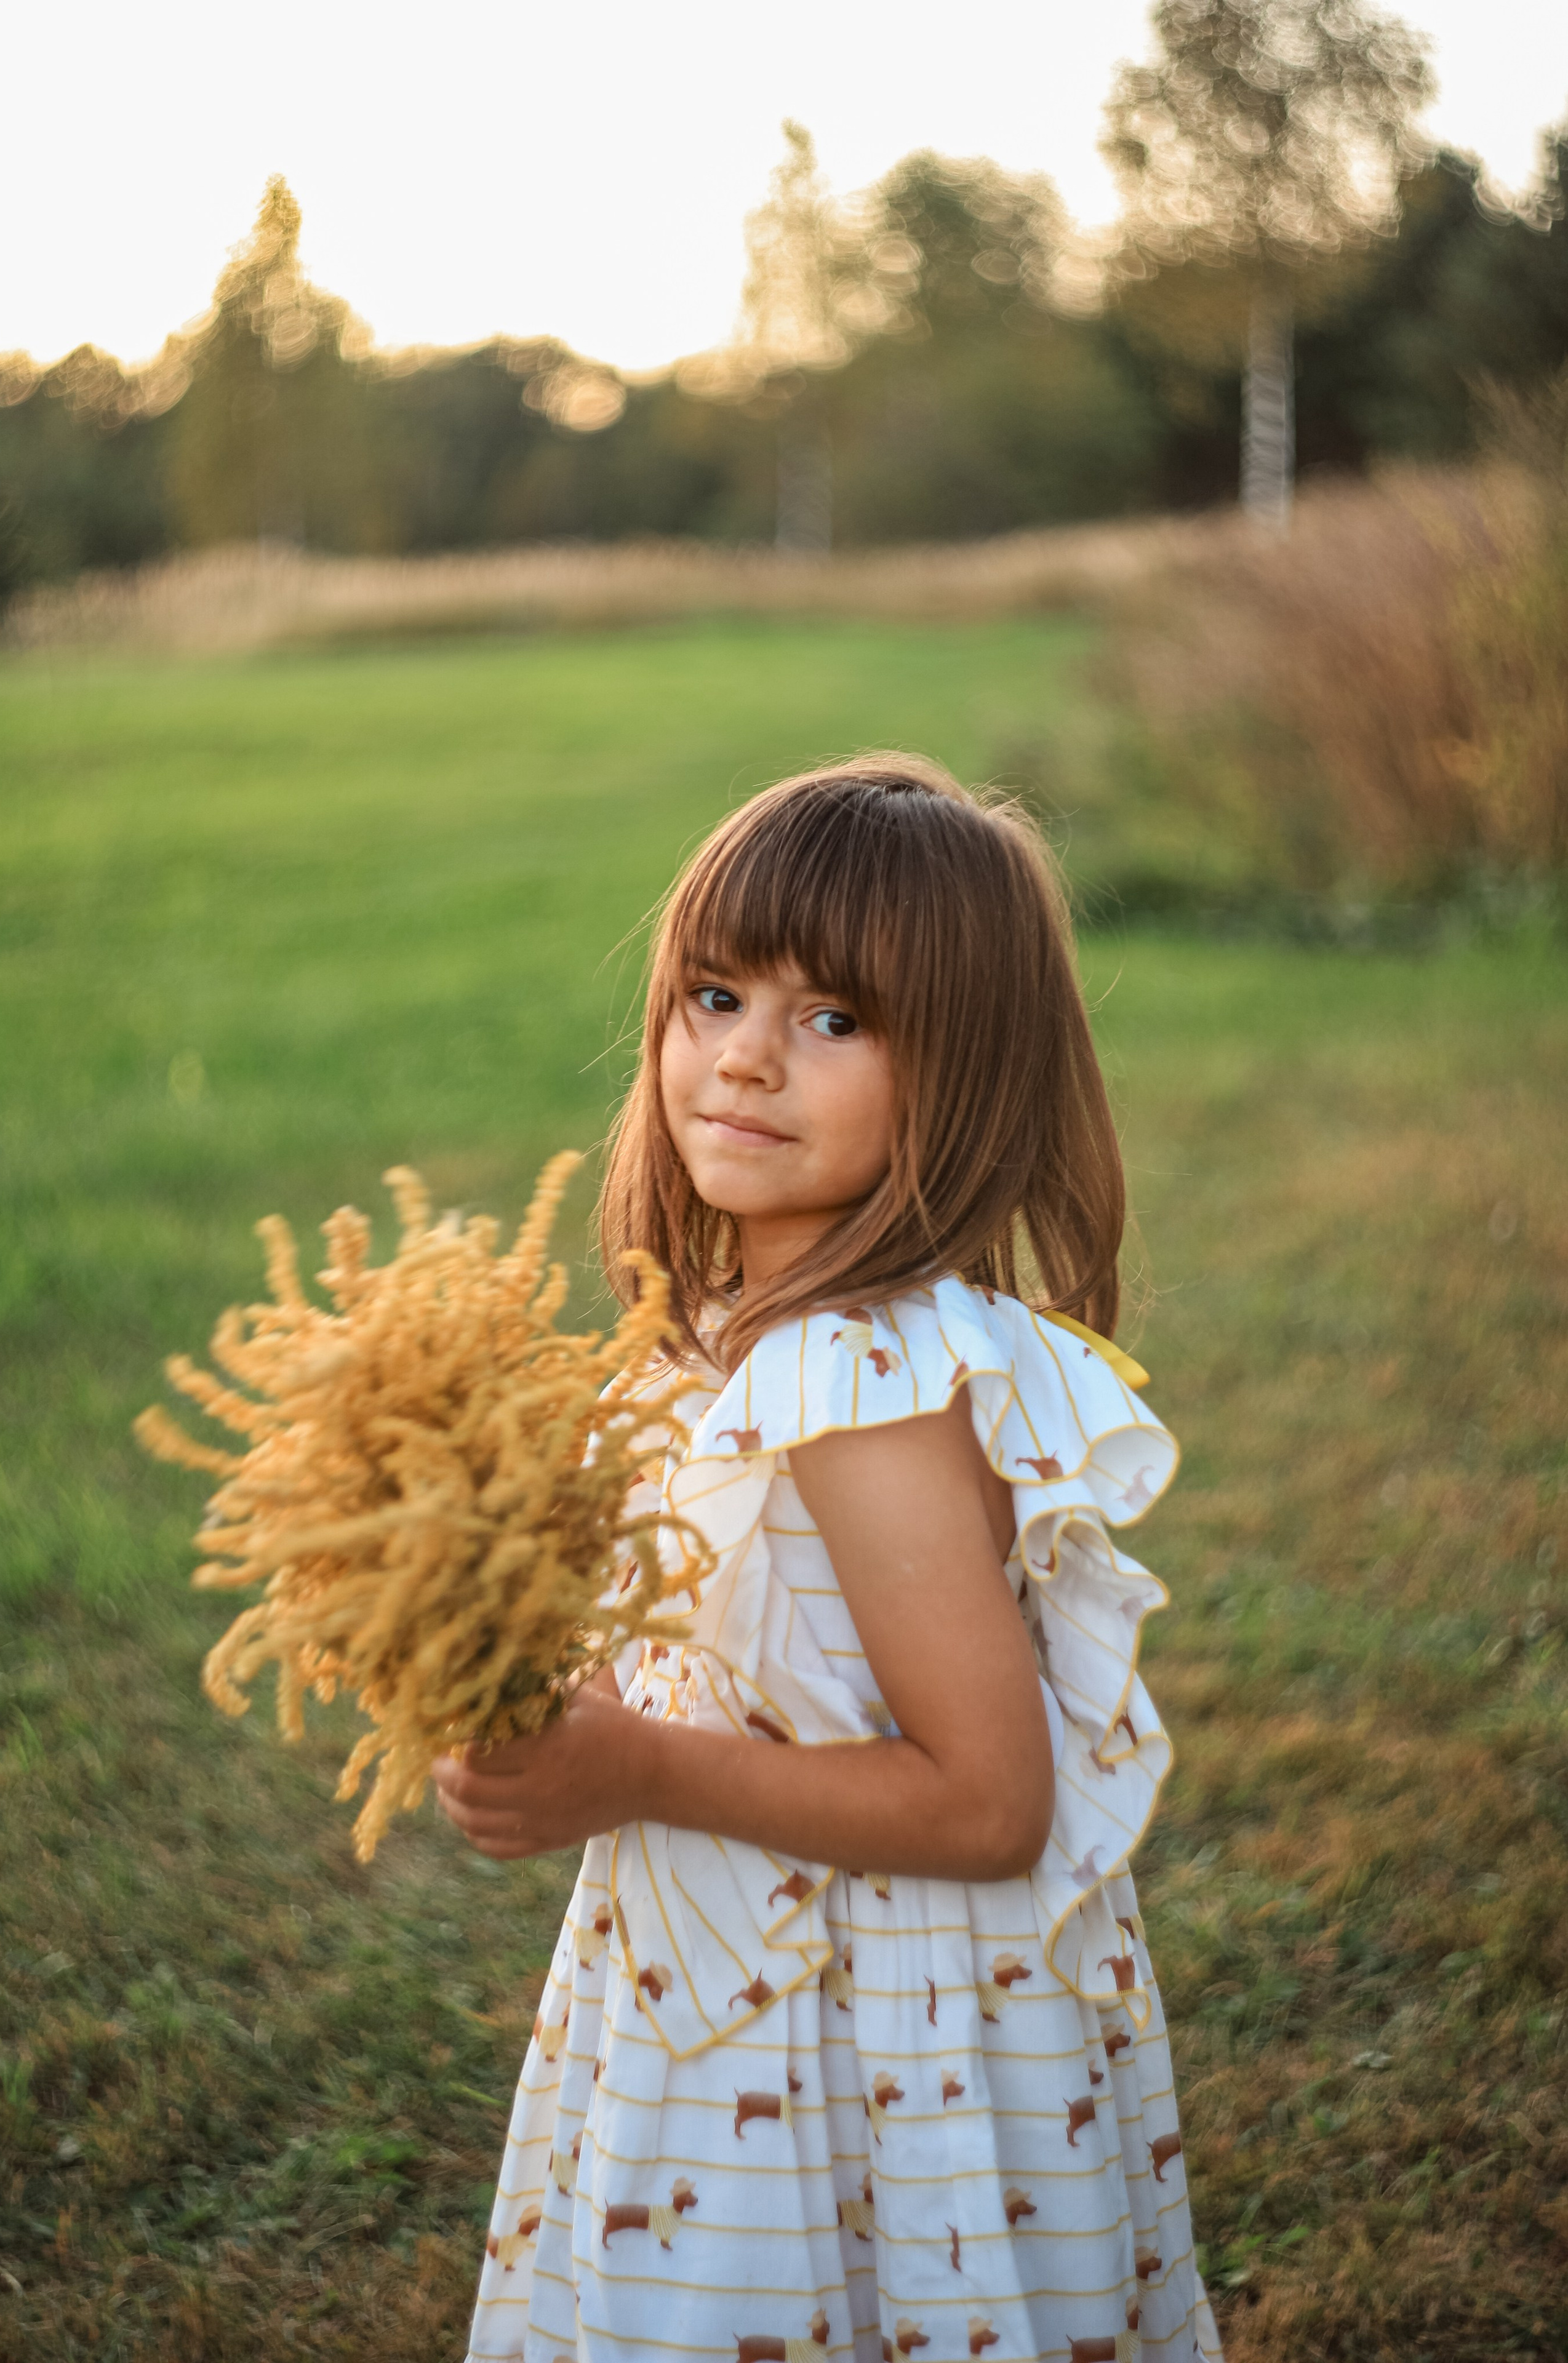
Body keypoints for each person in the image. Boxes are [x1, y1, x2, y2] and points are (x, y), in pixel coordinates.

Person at [433, 756, 1223, 2363]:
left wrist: (637, 1772)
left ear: (964, 1073)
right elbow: (696, 1643)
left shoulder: (859, 1389)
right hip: (733, 1982)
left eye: (834, 1021)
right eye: (715, 995)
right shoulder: (717, 1340)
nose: (744, 1060)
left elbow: (992, 1804)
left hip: (857, 2033)